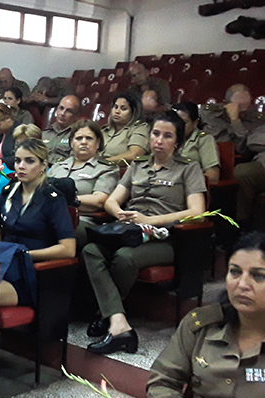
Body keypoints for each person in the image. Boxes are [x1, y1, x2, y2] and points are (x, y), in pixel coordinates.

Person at [82, 112, 207, 355]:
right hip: (129, 231)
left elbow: (197, 212)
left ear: (178, 143)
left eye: (167, 136)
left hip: (163, 238)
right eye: (155, 134)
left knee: (125, 258)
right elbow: (111, 201)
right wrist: (119, 212)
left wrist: (150, 220)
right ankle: (119, 323)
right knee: (90, 250)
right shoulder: (137, 166)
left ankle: (104, 314)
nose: (159, 140)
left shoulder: (188, 169)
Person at [140, 232, 265, 398]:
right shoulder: (202, 326)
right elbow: (162, 383)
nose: (242, 284)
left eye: (258, 276)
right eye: (235, 272)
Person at [0, 139, 76, 306]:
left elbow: (68, 249)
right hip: (3, 264)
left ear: (44, 166)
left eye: (29, 161)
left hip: (29, 272)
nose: (21, 166)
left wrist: (24, 256)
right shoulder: (8, 192)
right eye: (18, 160)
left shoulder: (53, 199)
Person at [48, 119, 120, 248]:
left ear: (98, 143)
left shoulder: (106, 169)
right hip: (48, 216)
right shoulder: (57, 166)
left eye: (89, 138)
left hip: (81, 220)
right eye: (79, 138)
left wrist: (64, 199)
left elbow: (98, 200)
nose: (83, 142)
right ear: (71, 142)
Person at [172, 101, 221, 183]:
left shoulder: (204, 139)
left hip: (189, 186)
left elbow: (213, 175)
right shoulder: (168, 138)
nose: (179, 126)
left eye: (184, 123)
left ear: (195, 123)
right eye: (176, 122)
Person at [101, 92, 150, 165]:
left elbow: (134, 155)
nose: (117, 111)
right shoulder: (105, 130)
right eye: (115, 107)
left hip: (118, 172)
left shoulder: (140, 128)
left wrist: (104, 162)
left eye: (123, 109)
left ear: (133, 112)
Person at [42, 95, 80, 164]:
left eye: (69, 111)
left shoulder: (77, 135)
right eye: (61, 108)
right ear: (56, 110)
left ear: (76, 115)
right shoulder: (45, 133)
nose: (62, 113)